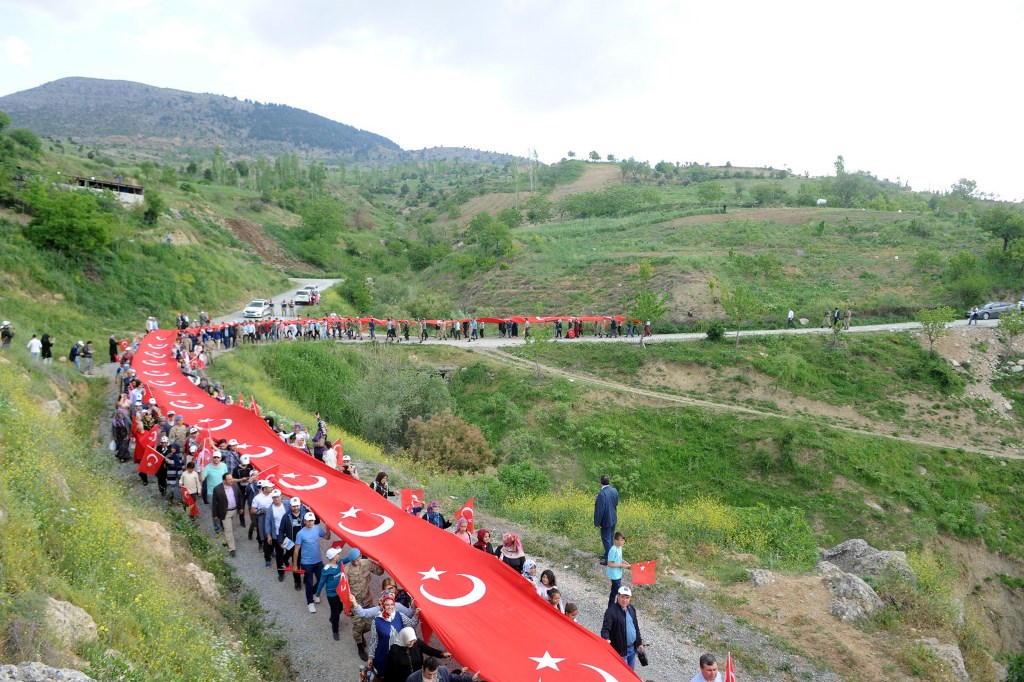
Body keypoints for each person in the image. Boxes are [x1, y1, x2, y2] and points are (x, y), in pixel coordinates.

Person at [601, 586, 645, 671]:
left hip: (632, 649)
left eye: (627, 598)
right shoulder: (611, 611)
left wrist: (639, 643)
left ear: (630, 598)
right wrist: (606, 638)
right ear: (618, 596)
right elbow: (605, 630)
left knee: (631, 672)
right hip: (620, 651)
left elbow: (635, 627)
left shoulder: (631, 609)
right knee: (623, 673)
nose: (624, 600)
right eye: (622, 597)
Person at [293, 511, 328, 612]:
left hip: (318, 561)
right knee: (309, 583)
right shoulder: (300, 533)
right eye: (308, 521)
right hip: (306, 563)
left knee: (322, 579)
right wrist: (295, 565)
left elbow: (327, 537)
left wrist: (328, 528)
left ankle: (313, 593)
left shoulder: (317, 528)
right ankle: (310, 603)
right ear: (304, 521)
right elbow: (296, 550)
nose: (310, 522)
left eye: (312, 520)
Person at [315, 546, 348, 640]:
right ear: (334, 557)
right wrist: (317, 594)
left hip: (339, 592)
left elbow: (348, 559)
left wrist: (356, 553)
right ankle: (335, 631)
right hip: (331, 595)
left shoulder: (339, 563)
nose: (339, 555)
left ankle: (332, 618)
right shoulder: (326, 569)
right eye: (337, 554)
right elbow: (321, 582)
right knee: (335, 612)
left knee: (340, 608)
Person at [211, 473, 243, 557]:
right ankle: (232, 549)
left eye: (232, 478)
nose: (232, 480)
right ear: (224, 481)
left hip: (235, 511)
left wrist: (241, 508)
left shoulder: (235, 485)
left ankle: (227, 539)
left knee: (233, 528)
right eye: (229, 479)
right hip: (225, 513)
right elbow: (214, 503)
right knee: (228, 530)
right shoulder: (217, 489)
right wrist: (215, 515)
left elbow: (239, 496)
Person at [594, 474, 619, 564]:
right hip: (613, 518)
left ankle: (609, 559)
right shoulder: (614, 490)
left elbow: (600, 510)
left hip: (606, 520)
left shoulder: (601, 494)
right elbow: (616, 503)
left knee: (606, 539)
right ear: (609, 482)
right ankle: (606, 555)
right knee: (610, 537)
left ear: (600, 482)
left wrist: (597, 523)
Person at [404, 656, 479, 682]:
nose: (432, 677)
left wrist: (471, 678)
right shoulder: (412, 679)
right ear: (423, 668)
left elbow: (455, 678)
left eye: (434, 674)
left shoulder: (443, 670)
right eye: (429, 674)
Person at [606, 531, 631, 607]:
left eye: (623, 540)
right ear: (615, 540)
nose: (623, 542)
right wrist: (622, 565)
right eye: (621, 540)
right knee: (621, 592)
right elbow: (610, 563)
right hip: (614, 575)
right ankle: (619, 607)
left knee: (614, 592)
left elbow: (619, 558)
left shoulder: (619, 548)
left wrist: (626, 563)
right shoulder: (613, 550)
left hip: (618, 573)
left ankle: (610, 608)